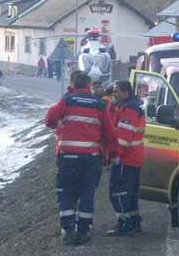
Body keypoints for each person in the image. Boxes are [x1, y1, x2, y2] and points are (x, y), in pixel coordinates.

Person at [45, 73, 120, 245]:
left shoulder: (68, 101)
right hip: (91, 158)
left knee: (66, 192)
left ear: (74, 84)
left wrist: (57, 125)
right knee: (88, 192)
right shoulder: (100, 105)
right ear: (88, 85)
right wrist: (112, 154)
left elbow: (50, 118)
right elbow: (109, 133)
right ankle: (84, 230)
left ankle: (69, 229)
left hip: (68, 156)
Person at [107, 80, 146, 236]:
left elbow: (124, 136)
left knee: (119, 191)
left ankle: (125, 223)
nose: (113, 95)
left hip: (126, 158)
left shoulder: (129, 109)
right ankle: (134, 220)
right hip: (133, 157)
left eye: (116, 92)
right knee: (130, 192)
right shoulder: (129, 106)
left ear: (126, 93)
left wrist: (115, 156)